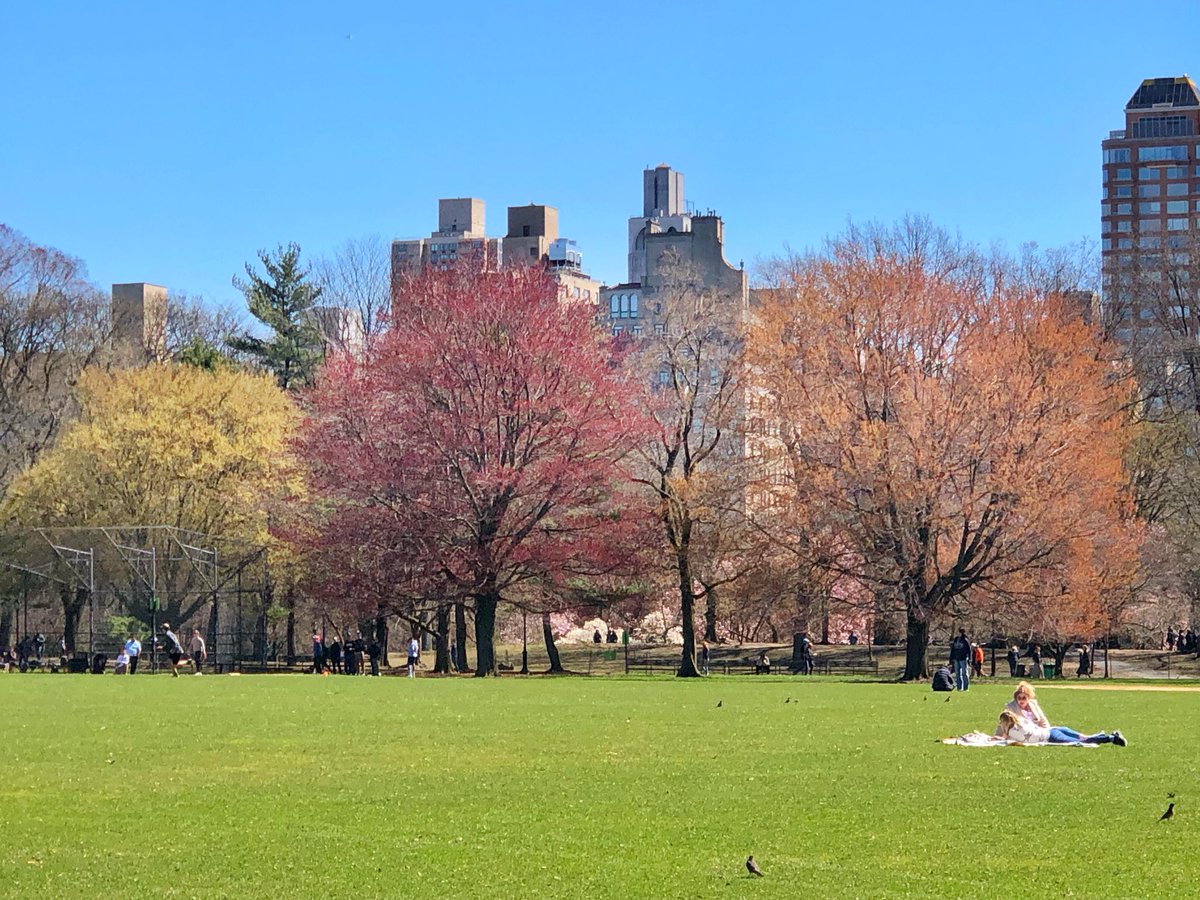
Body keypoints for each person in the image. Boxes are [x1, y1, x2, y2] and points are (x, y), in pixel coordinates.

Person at [995, 681, 1127, 746]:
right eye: (1019, 697)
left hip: (1051, 732)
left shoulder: (1030, 709)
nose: (1021, 700)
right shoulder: (1011, 709)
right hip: (1049, 734)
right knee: (1081, 741)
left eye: (1024, 698)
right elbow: (1003, 725)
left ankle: (1111, 738)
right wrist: (997, 736)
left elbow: (1042, 720)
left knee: (1081, 740)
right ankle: (1107, 737)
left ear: (1029, 697)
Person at [996, 709, 1125, 746]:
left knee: (1081, 742)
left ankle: (1111, 738)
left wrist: (997, 738)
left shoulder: (1013, 731)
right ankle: (1104, 736)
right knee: (1083, 737)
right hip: (1053, 729)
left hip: (1051, 736)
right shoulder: (1022, 720)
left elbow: (1008, 740)